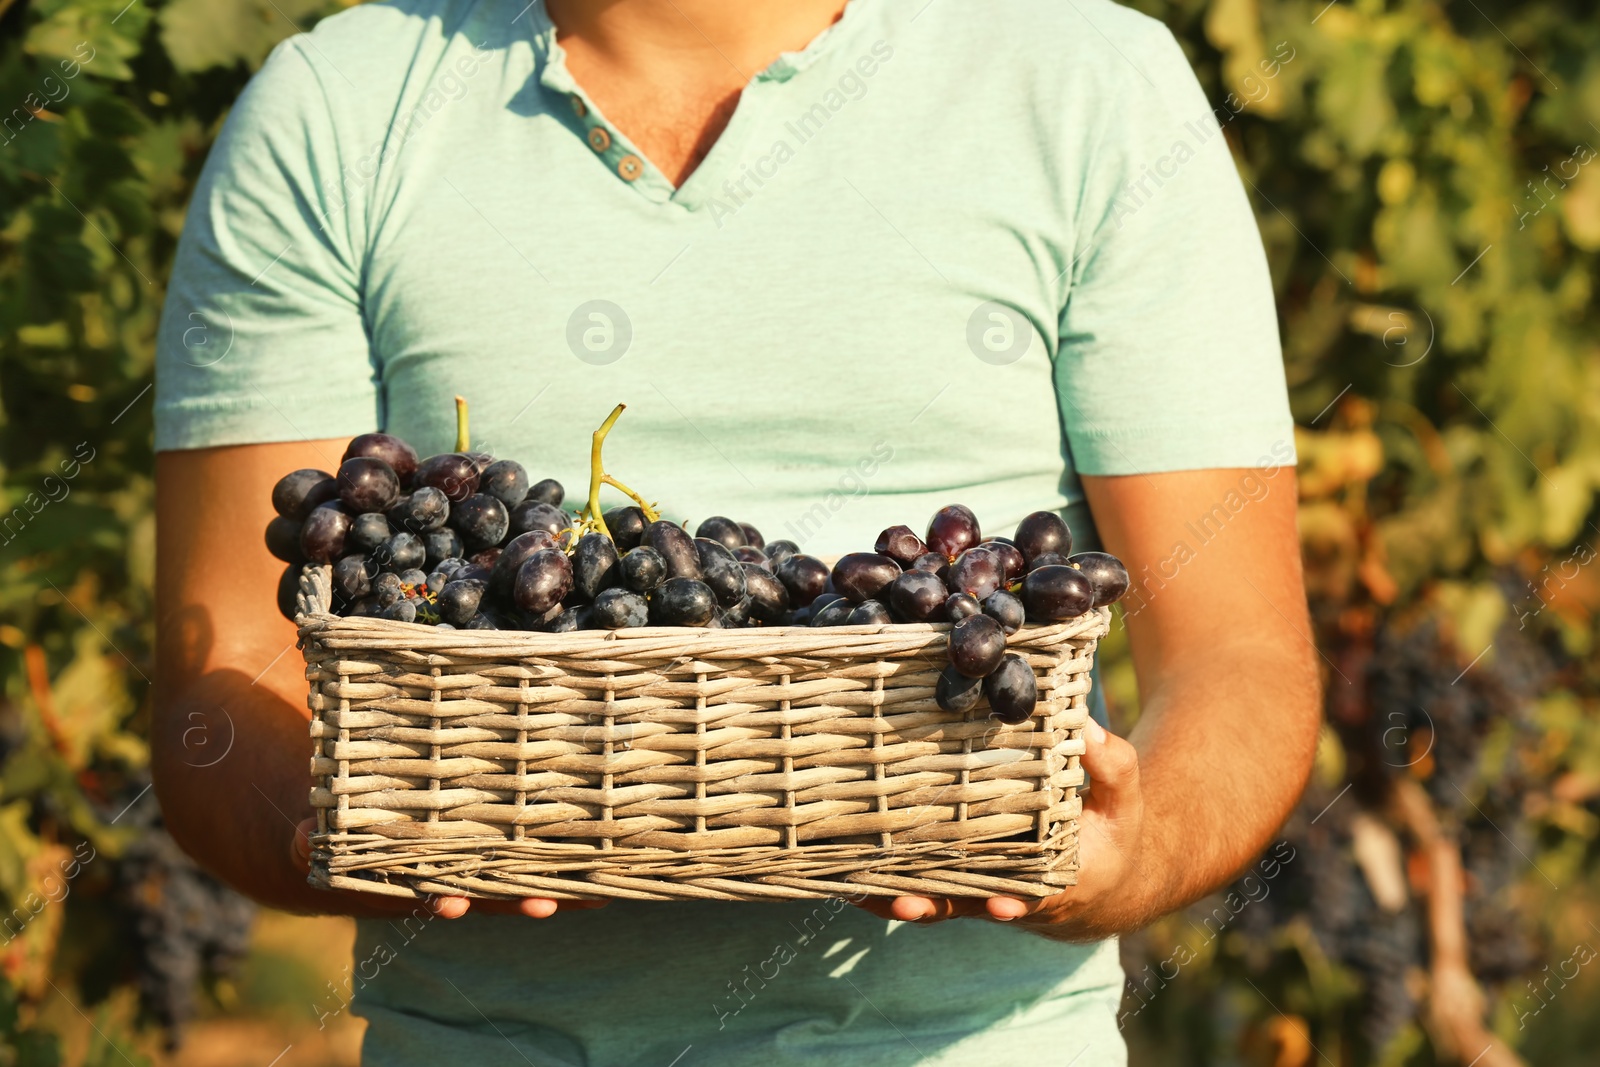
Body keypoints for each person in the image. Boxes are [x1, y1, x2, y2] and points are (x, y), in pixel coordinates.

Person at [151, 0, 1321, 1063]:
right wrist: (353, 829)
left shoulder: (1089, 85)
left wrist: (1119, 856)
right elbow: (226, 685)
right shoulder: (336, 107)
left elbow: (1241, 659)